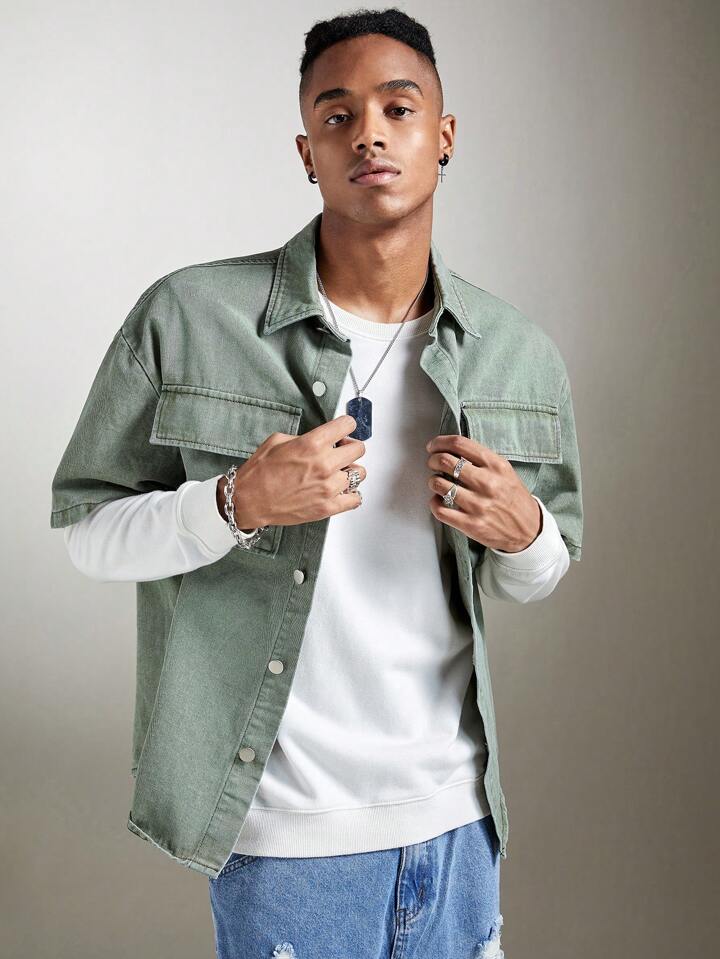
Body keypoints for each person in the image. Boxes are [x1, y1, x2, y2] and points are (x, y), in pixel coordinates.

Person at [50, 7, 583, 957]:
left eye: (398, 109)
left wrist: (528, 532)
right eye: (337, 115)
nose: (369, 133)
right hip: (288, 844)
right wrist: (235, 505)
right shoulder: (190, 315)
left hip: (459, 825)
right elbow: (87, 530)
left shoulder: (515, 351)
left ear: (444, 136)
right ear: (308, 152)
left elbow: (535, 572)